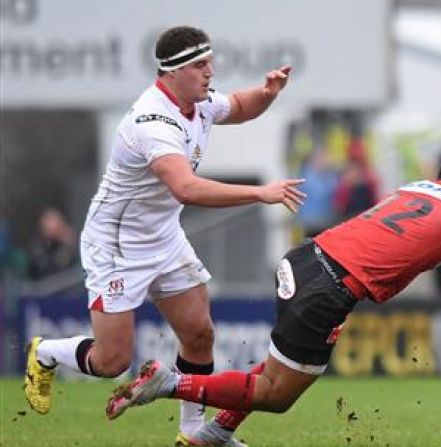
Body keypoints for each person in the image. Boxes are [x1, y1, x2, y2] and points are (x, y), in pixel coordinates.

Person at [104, 149, 441, 447]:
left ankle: (215, 433)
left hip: (305, 260)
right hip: (328, 288)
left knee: (279, 369)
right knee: (275, 393)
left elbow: (399, 240)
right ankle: (171, 385)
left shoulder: (414, 189)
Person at [23, 25, 306, 446]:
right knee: (112, 360)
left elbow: (240, 106)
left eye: (210, 63)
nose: (209, 73)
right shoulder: (152, 120)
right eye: (199, 65)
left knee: (199, 334)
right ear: (171, 72)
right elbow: (186, 188)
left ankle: (193, 433)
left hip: (163, 236)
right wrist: (259, 193)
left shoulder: (199, 101)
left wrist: (268, 92)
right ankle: (45, 351)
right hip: (118, 245)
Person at [26, 207, 78, 280]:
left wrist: (69, 245)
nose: (58, 226)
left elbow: (72, 267)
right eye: (54, 222)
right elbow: (47, 271)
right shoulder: (38, 246)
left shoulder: (63, 244)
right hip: (44, 287)